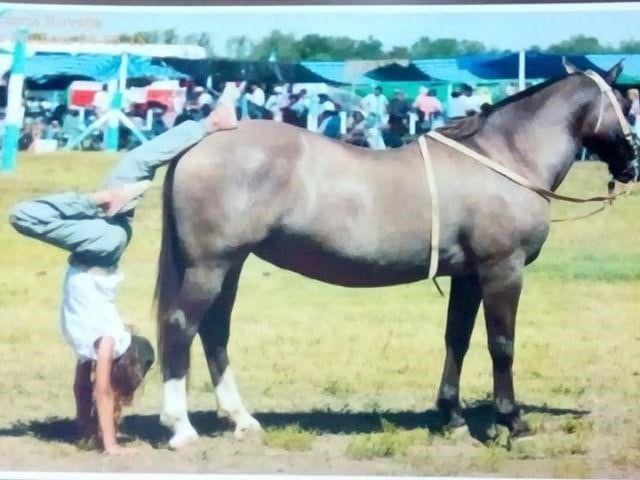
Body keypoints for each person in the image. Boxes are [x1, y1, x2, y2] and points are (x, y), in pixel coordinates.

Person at [8, 101, 238, 455]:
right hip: (98, 252)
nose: (129, 333)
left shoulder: (103, 343)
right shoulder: (89, 346)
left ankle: (208, 124)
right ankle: (205, 126)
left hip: (101, 246)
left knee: (28, 214)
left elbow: (97, 390)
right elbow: (84, 389)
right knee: (133, 167)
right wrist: (89, 427)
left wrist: (108, 443)